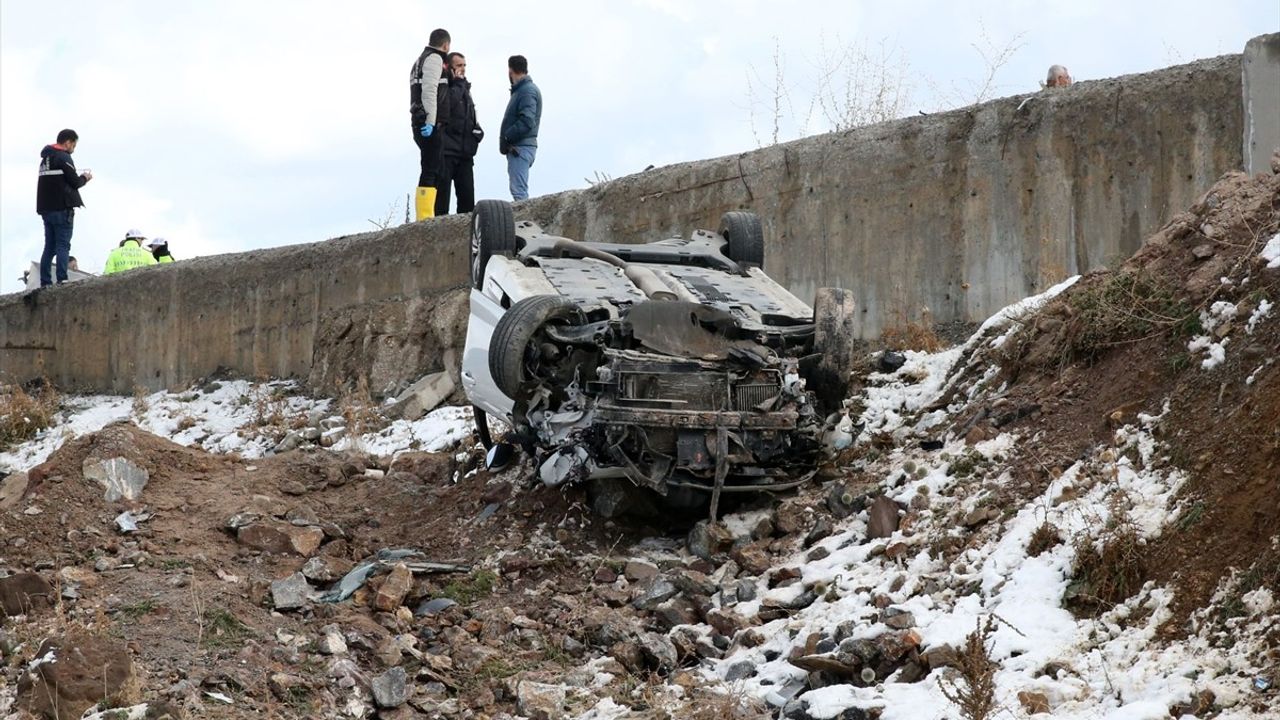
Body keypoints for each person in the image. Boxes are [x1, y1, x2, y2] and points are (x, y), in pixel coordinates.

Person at [36, 129, 93, 288]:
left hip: (46, 209)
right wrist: (85, 178)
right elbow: (75, 182)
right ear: (68, 142)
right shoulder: (63, 157)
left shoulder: (45, 158)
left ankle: (45, 281)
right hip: (62, 208)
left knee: (49, 246)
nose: (73, 149)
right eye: (73, 145)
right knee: (62, 245)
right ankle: (62, 279)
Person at [409, 28, 453, 221]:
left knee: (437, 169)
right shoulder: (434, 59)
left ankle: (435, 215)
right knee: (431, 169)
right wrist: (431, 122)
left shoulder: (419, 60)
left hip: (420, 121)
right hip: (428, 123)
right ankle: (425, 218)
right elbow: (429, 91)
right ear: (446, 45)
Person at [435, 52, 484, 216]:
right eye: (459, 65)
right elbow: (447, 106)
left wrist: (477, 133)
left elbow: (469, 116)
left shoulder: (465, 89)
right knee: (442, 202)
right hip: (447, 152)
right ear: (449, 67)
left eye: (464, 65)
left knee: (468, 202)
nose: (462, 69)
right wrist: (457, 84)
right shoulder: (446, 87)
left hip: (465, 153)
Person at [500, 55, 542, 202]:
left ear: (510, 70)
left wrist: (507, 136)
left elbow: (527, 120)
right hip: (522, 147)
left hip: (520, 148)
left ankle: (524, 223)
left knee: (519, 193)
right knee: (519, 190)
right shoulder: (523, 90)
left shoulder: (526, 91)